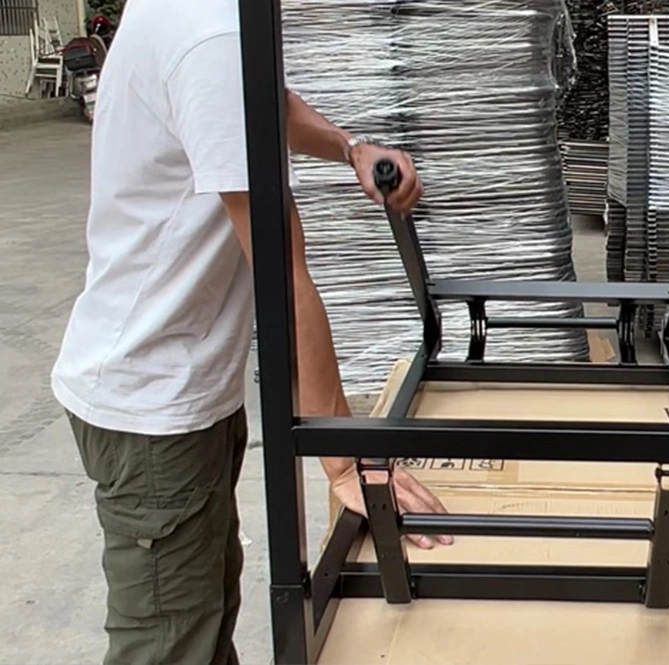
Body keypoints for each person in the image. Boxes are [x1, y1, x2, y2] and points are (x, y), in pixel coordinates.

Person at [49, 0, 450, 661]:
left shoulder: (205, 17)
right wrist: (343, 458)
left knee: (204, 614)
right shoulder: (209, 33)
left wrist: (351, 148)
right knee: (172, 641)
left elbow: (263, 103)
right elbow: (281, 273)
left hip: (181, 382)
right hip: (152, 400)